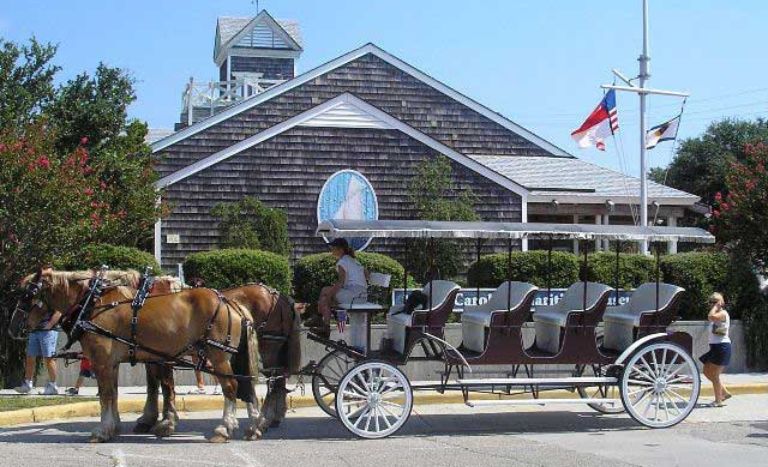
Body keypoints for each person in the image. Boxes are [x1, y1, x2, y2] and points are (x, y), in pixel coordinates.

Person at [307, 238, 368, 336]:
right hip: (362, 296)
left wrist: (330, 295)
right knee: (326, 297)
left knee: (325, 293)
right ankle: (326, 324)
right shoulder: (353, 260)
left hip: (353, 296)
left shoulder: (343, 262)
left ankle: (322, 322)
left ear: (341, 249)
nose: (331, 249)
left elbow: (340, 282)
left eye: (333, 247)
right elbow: (366, 274)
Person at [14, 273, 62, 395]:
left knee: (48, 358)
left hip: (48, 331)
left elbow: (59, 312)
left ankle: (53, 385)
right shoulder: (35, 297)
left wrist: (49, 325)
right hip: (35, 330)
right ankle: (27, 383)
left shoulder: (53, 295)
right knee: (30, 357)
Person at [700, 292, 733, 407]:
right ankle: (724, 392)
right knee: (706, 371)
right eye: (710, 302)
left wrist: (716, 306)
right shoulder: (718, 313)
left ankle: (718, 400)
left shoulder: (723, 313)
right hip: (715, 347)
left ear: (719, 303)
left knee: (714, 374)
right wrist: (715, 306)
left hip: (722, 347)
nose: (710, 305)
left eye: (712, 302)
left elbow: (710, 317)